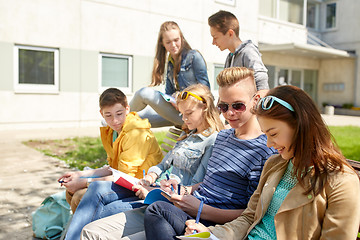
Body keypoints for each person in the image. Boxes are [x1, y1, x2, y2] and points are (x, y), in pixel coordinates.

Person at [185, 85, 360, 240]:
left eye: (273, 134)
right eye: (265, 134)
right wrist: (212, 234)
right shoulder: (275, 164)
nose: (269, 143)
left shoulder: (340, 181)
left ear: (301, 125)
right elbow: (249, 217)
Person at [63, 84, 224, 240]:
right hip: (152, 189)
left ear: (205, 108)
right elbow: (163, 165)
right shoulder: (187, 136)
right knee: (95, 192)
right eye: (182, 113)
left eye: (188, 113)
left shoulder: (212, 141)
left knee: (100, 209)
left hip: (167, 201)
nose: (183, 118)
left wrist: (156, 190)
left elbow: (196, 186)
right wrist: (150, 177)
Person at [58, 88, 163, 213]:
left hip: (140, 185)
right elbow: (113, 168)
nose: (115, 120)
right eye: (108, 115)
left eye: (119, 114)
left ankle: (84, 231)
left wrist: (84, 182)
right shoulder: (112, 131)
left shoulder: (136, 132)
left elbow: (124, 176)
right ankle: (81, 230)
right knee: (71, 191)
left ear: (127, 109)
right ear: (102, 113)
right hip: (124, 179)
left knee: (80, 197)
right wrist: (79, 175)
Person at [130, 21, 210, 128]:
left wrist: (181, 97)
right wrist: (172, 98)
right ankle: (113, 120)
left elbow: (206, 92)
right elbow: (168, 93)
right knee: (134, 119)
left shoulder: (194, 57)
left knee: (144, 93)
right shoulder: (170, 63)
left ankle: (119, 116)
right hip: (178, 113)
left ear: (182, 38)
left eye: (176, 40)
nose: (173, 45)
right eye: (168, 42)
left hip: (193, 115)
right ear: (162, 43)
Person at [208, 10, 269, 97]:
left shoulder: (248, 51)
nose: (213, 42)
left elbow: (261, 80)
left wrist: (259, 107)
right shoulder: (230, 57)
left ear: (230, 33)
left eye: (215, 37)